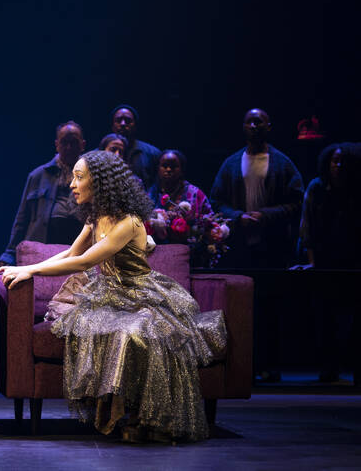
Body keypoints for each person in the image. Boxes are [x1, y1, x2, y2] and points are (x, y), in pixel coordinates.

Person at [0, 150, 224, 442]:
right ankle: (119, 413)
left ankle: (145, 418)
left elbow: (83, 262)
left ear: (100, 182)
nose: (71, 185)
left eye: (79, 178)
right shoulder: (94, 218)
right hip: (108, 294)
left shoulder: (128, 222)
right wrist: (25, 266)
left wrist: (33, 272)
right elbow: (70, 253)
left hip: (140, 294)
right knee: (101, 327)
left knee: (137, 331)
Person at [292, 142, 361, 383]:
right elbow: (306, 227)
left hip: (352, 261)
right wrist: (312, 262)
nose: (338, 166)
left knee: (353, 319)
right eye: (334, 161)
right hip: (324, 259)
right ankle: (329, 367)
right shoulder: (318, 188)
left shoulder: (356, 190)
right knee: (326, 317)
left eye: (343, 162)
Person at [210, 108, 304, 269]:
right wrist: (238, 217)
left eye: (258, 122)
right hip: (239, 244)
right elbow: (216, 201)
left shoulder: (282, 163)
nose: (253, 126)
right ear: (243, 127)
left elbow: (297, 202)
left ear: (268, 126)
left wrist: (266, 215)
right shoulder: (231, 163)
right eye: (249, 122)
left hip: (274, 243)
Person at [0, 121, 86, 266]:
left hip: (77, 251)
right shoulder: (38, 176)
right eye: (64, 142)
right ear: (57, 144)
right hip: (41, 250)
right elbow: (22, 219)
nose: (69, 147)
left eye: (74, 143)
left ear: (82, 145)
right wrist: (9, 254)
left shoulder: (91, 176)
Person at [147, 149, 213, 244]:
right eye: (164, 166)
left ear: (182, 170)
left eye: (174, 167)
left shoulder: (195, 194)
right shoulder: (151, 194)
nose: (168, 170)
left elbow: (210, 220)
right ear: (158, 169)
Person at [109, 105, 160, 189]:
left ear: (135, 125)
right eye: (118, 120)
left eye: (128, 120)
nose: (123, 124)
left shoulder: (152, 153)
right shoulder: (100, 153)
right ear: (112, 125)